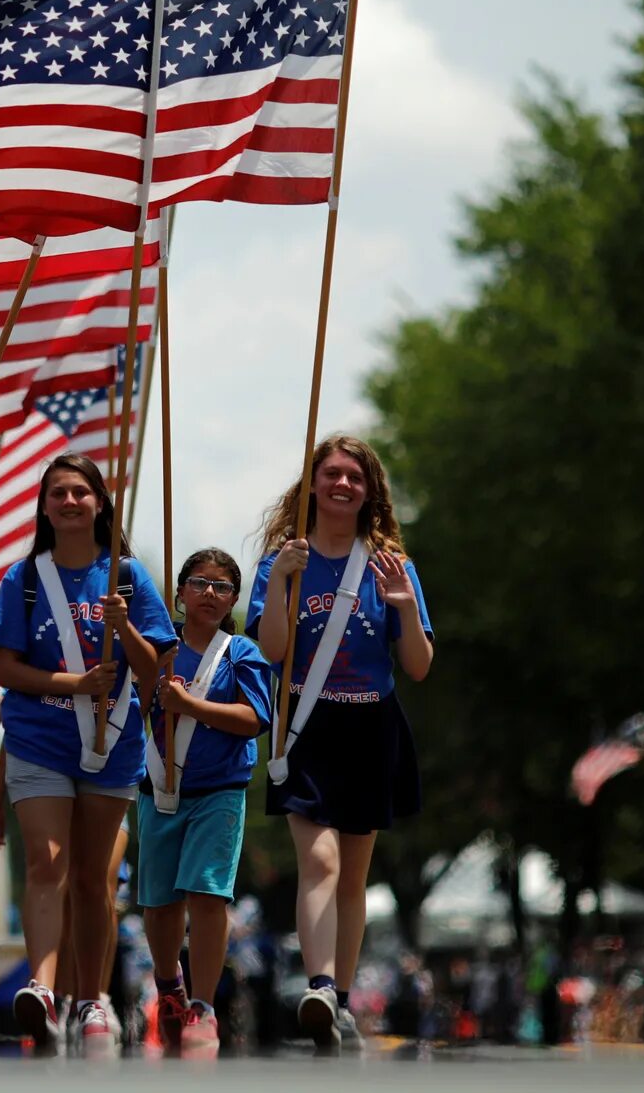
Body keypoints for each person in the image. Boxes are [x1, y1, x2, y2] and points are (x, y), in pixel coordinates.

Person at [0, 453, 176, 1053]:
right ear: (44, 507)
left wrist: (128, 630)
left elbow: (158, 672)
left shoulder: (128, 578)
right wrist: (71, 685)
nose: (69, 502)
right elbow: (6, 668)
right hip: (39, 741)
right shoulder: (24, 579)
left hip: (112, 745)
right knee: (47, 863)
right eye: (58, 494)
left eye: (80, 493)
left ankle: (93, 997)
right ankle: (42, 988)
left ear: (99, 504)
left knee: (95, 881)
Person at [249, 434, 433, 1055]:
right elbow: (271, 651)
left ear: (368, 490)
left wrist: (404, 609)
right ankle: (321, 985)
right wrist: (279, 585)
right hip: (306, 723)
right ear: (313, 484)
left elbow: (418, 666)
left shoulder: (390, 564)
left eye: (354, 476)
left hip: (371, 726)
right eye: (331, 473)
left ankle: (342, 1002)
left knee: (353, 873)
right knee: (320, 862)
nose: (342, 484)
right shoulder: (284, 560)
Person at [137, 549, 274, 1054]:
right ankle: (169, 983)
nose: (210, 594)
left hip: (219, 789)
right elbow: (133, 702)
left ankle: (205, 1005)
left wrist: (189, 704)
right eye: (199, 583)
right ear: (179, 592)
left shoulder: (241, 653)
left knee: (209, 894)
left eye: (222, 586)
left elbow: (253, 719)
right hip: (160, 787)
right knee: (160, 901)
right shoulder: (160, 649)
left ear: (234, 598)